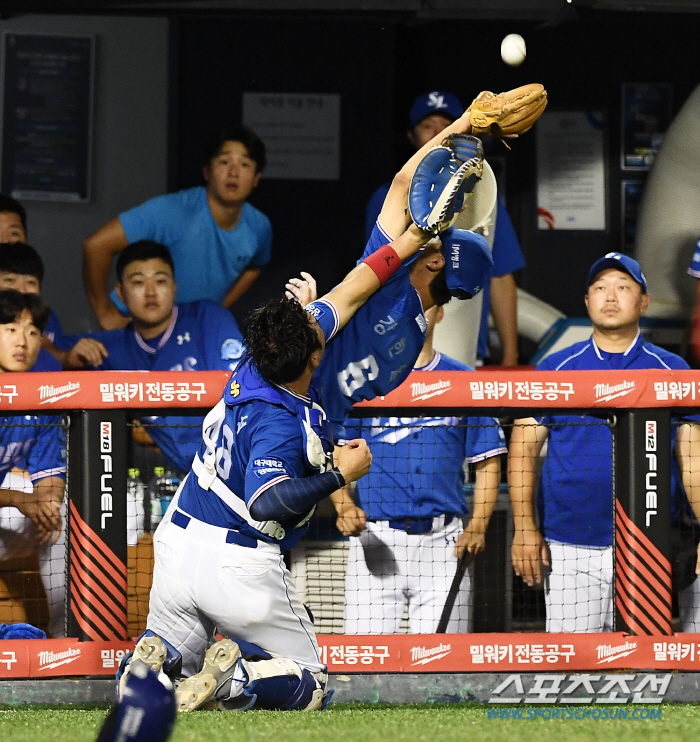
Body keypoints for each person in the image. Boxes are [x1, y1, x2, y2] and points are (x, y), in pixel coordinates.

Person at [117, 124, 480, 712]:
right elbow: (268, 503)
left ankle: (150, 657)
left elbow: (384, 224)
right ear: (313, 348)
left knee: (157, 672)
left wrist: (455, 141)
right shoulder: (332, 384)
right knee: (312, 682)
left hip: (179, 541)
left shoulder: (255, 363)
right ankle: (235, 684)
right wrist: (340, 475)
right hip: (240, 557)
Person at [509, 252, 694, 632]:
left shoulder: (672, 370)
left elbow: (692, 459)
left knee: (647, 669)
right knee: (572, 670)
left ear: (643, 302)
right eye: (600, 288)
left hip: (650, 545)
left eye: (623, 287)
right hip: (570, 544)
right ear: (587, 301)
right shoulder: (554, 368)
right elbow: (522, 449)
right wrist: (525, 528)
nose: (610, 296)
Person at [333, 304, 506, 633]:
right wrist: (343, 505)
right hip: (377, 539)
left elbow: (488, 462)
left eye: (425, 306)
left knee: (443, 669)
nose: (415, 314)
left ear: (440, 314)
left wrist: (479, 526)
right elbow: (338, 453)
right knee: (363, 661)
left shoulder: (463, 381)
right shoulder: (363, 381)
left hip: (444, 543)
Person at [365, 90, 525, 366]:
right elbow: (371, 273)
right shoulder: (387, 198)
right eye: (428, 126)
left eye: (446, 124)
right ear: (412, 136)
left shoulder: (484, 194)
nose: (440, 133)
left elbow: (499, 276)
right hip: (397, 346)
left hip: (463, 346)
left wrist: (510, 356)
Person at [68, 240, 244, 475]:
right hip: (183, 477)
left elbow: (240, 393)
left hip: (236, 463)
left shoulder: (207, 318)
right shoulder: (111, 347)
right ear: (120, 293)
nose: (150, 292)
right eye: (138, 282)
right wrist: (67, 357)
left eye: (160, 281)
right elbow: (42, 345)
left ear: (174, 287)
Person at [83, 126, 272, 330]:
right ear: (207, 171)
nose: (233, 172)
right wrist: (104, 312)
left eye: (244, 164)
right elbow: (96, 245)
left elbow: (254, 268)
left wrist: (216, 308)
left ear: (256, 178)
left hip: (188, 331)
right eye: (224, 162)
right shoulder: (172, 210)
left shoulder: (259, 227)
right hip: (133, 324)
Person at [0, 290, 66, 637]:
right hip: (7, 503)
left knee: (63, 516)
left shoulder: (39, 393)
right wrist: (23, 500)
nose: (22, 341)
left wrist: (48, 502)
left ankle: (64, 640)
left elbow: (50, 473)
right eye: (10, 328)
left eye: (32, 331)